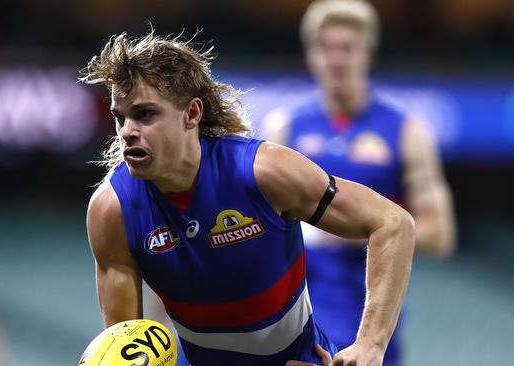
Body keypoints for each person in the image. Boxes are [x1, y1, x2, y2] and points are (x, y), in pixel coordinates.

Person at [80, 29, 415, 366]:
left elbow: (392, 222)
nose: (126, 131)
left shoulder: (263, 172)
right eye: (120, 117)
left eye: (145, 114)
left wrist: (371, 344)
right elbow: (125, 348)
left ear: (192, 114)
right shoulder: (112, 211)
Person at [261, 1, 457, 365]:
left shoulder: (406, 132)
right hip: (302, 313)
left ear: (367, 54)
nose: (336, 60)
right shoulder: (284, 129)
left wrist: (360, 228)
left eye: (347, 48)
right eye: (326, 48)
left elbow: (440, 234)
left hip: (370, 318)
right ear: (311, 55)